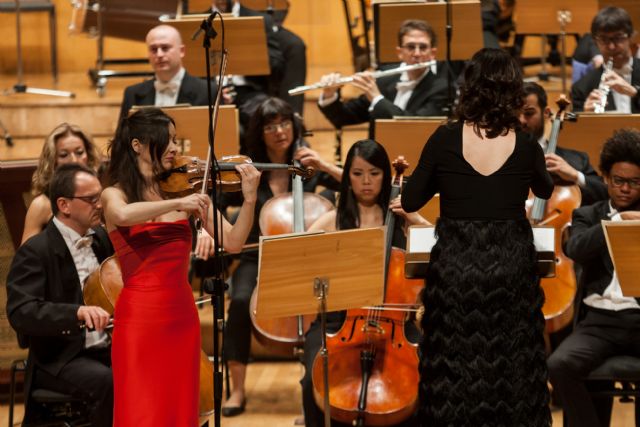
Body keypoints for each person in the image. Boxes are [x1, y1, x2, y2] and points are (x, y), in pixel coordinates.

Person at [401, 48, 554, 425]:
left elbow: (409, 199)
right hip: (510, 272)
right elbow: (546, 189)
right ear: (513, 91)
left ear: (469, 86)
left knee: (455, 371)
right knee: (512, 370)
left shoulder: (444, 139)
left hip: (457, 272)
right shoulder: (525, 143)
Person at [101, 107, 260, 426]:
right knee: (141, 410)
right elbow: (122, 216)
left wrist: (250, 199)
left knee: (177, 410)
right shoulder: (113, 194)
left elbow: (233, 243)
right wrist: (178, 204)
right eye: (168, 140)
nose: (176, 148)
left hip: (181, 317)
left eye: (176, 140)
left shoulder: (187, 189)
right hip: (139, 319)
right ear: (138, 145)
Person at [219, 97, 342, 417]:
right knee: (242, 300)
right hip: (257, 257)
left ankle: (313, 386)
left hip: (303, 258)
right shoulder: (250, 170)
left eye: (284, 123)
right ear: (259, 133)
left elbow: (359, 185)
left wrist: (325, 165)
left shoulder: (309, 168)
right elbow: (213, 196)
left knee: (324, 305)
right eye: (270, 126)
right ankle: (238, 389)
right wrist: (208, 230)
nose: (279, 131)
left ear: (294, 125)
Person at [301, 139, 429, 427]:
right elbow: (302, 265)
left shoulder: (403, 220)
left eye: (374, 173)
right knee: (314, 380)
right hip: (336, 321)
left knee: (422, 378)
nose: (366, 182)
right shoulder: (332, 222)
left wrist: (416, 218)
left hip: (396, 322)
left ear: (386, 175)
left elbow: (443, 249)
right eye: (357, 174)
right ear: (347, 178)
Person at [7, 163, 114, 427]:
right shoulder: (36, 251)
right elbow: (21, 312)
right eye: (91, 199)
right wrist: (75, 313)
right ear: (64, 205)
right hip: (61, 357)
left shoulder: (101, 239)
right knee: (107, 381)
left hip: (107, 345)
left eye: (100, 197)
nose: (100, 204)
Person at [547, 128, 640, 427]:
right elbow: (576, 248)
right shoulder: (588, 213)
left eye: (635, 183)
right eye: (619, 181)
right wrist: (615, 221)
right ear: (605, 179)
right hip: (599, 322)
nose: (626, 189)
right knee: (558, 364)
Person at [318, 19, 449, 138]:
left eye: (423, 47)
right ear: (399, 53)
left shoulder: (441, 88)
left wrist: (377, 98)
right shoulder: (385, 79)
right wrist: (329, 94)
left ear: (433, 54)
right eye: (410, 47)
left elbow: (413, 127)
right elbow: (343, 118)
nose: (416, 53)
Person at [209, 0, 306, 114]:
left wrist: (253, 54)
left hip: (249, 93)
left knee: (264, 115)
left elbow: (276, 65)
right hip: (210, 91)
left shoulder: (260, 20)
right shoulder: (198, 20)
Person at [521, 82, 608, 206]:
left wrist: (575, 176)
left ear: (546, 113)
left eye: (528, 113)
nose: (521, 120)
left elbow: (606, 194)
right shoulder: (497, 157)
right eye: (515, 113)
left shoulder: (577, 160)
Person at [118, 24, 222, 122]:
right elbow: (121, 140)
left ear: (182, 51)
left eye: (165, 48)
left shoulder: (209, 91)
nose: (159, 54)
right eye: (153, 49)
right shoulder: (132, 94)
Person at [22, 123, 101, 244]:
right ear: (52, 161)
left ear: (88, 156)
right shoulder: (41, 205)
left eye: (79, 152)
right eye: (64, 155)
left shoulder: (99, 196)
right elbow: (26, 259)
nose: (74, 160)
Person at [571, 7, 640, 113]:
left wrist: (635, 93)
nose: (611, 47)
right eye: (604, 39)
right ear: (595, 42)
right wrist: (585, 116)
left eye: (618, 38)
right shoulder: (581, 88)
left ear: (630, 37)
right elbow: (575, 126)